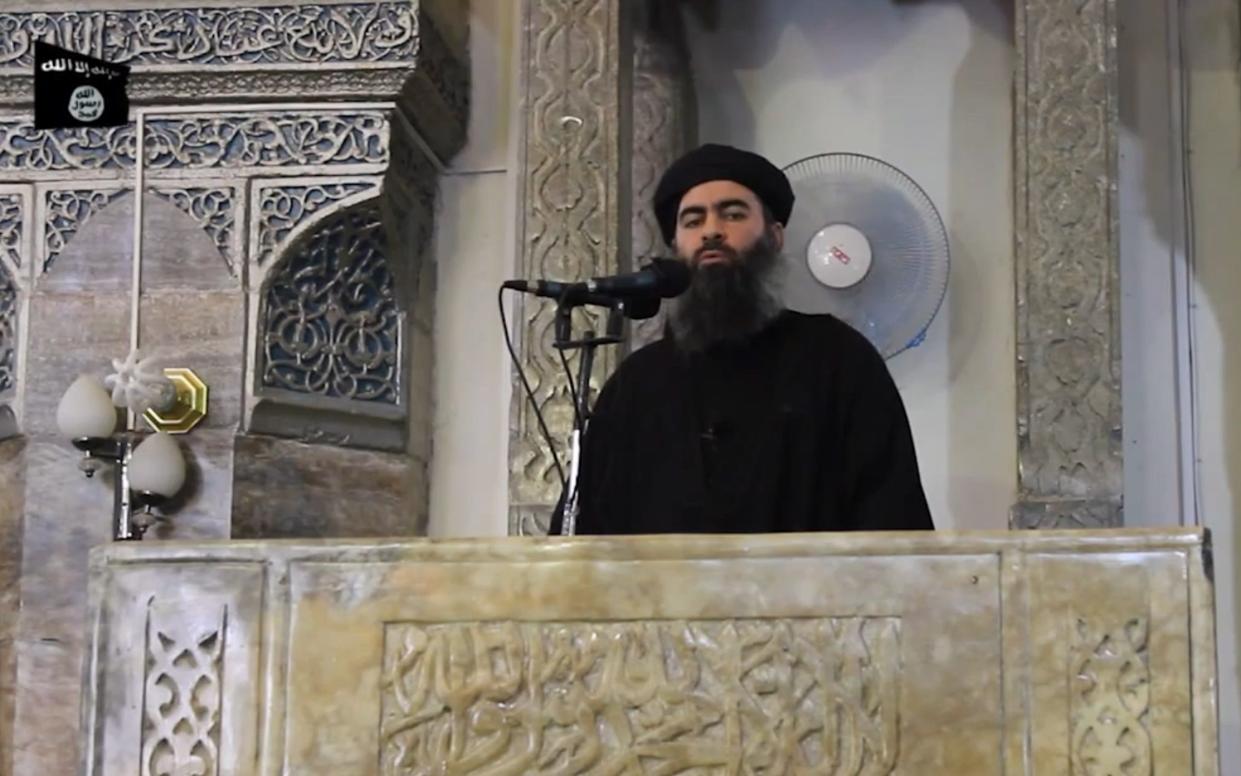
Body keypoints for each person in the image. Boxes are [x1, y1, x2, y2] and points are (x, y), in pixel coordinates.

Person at [551, 143, 933, 535]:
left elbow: (893, 523)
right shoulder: (637, 384)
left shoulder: (839, 360)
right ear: (675, 249)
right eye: (693, 221)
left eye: (733, 214)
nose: (712, 230)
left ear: (775, 235)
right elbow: (588, 537)